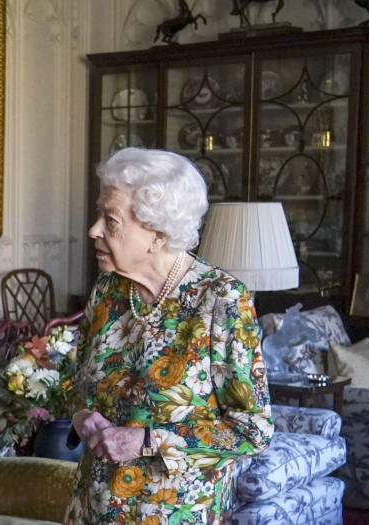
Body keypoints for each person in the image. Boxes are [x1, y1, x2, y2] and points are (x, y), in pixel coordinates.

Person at [65, 148, 273, 524]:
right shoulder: (107, 290)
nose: (93, 229)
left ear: (157, 234)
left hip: (175, 513)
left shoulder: (221, 300)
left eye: (110, 219)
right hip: (93, 508)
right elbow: (76, 381)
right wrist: (80, 414)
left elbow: (252, 430)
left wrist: (148, 441)